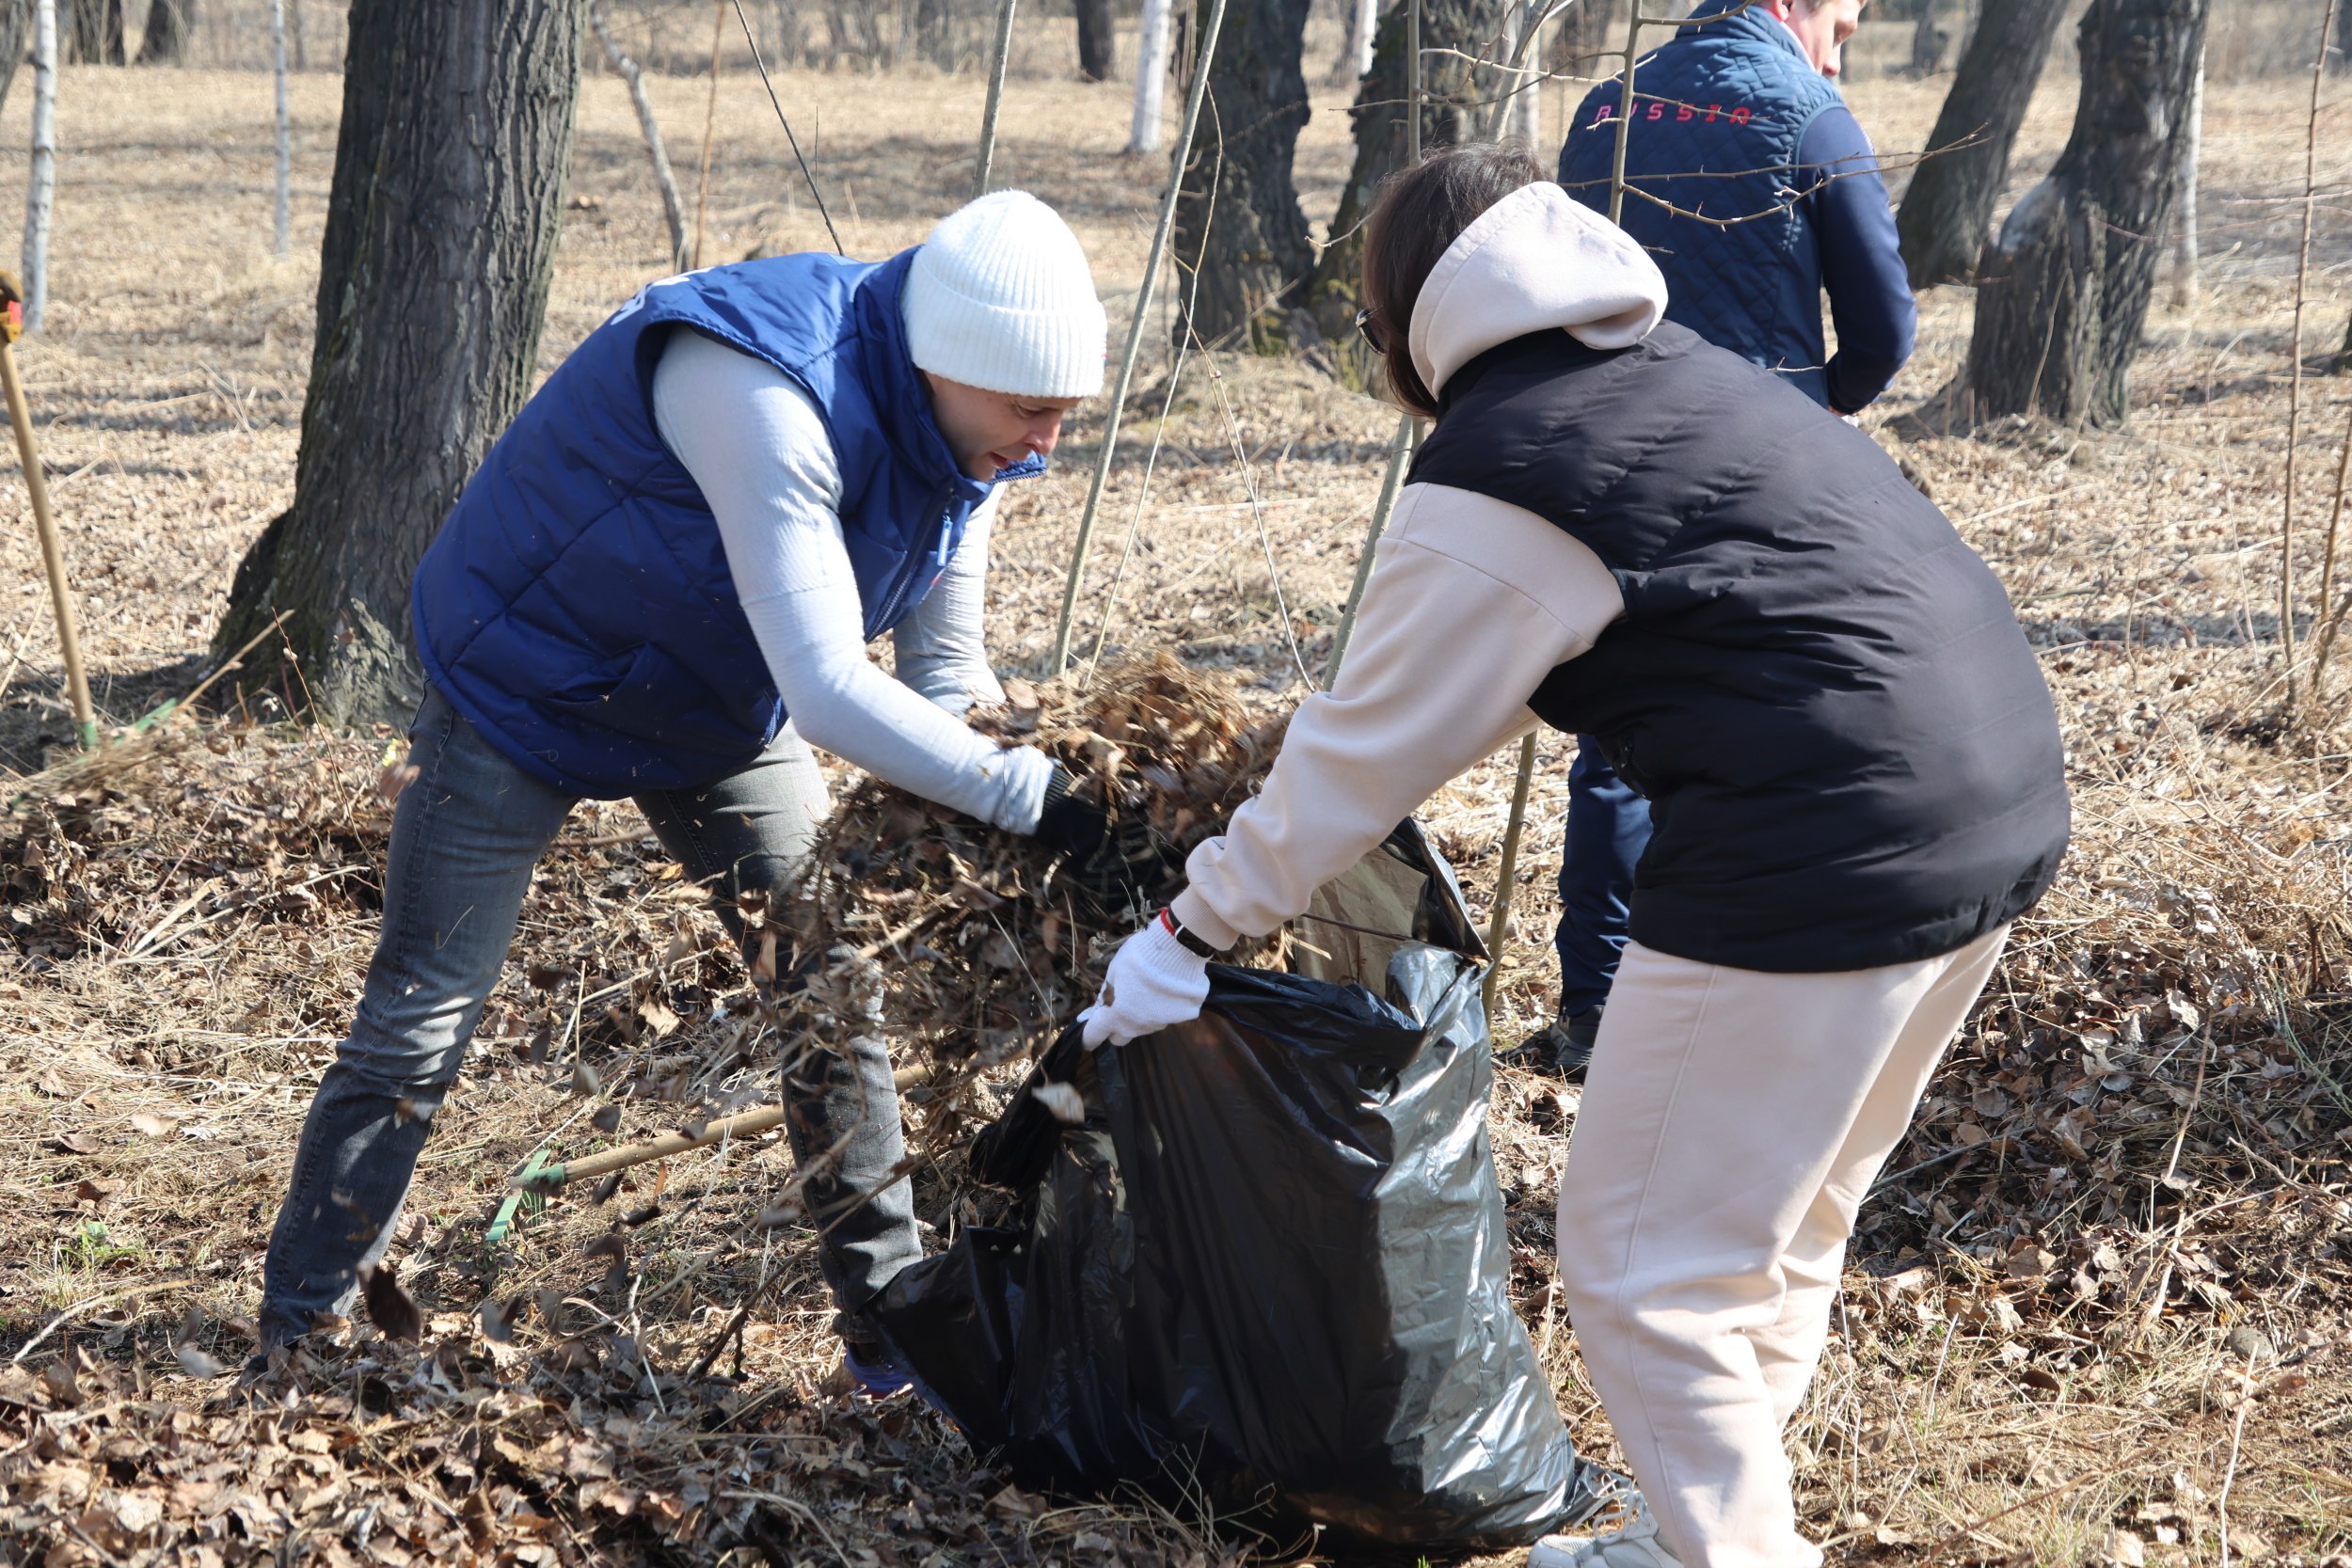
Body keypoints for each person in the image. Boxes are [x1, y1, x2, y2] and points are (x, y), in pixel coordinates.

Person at [1081, 145, 2067, 1568]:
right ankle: (1697, 1532)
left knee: (1639, 1271)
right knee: (1778, 1230)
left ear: (1410, 318)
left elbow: (1363, 752)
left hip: (1820, 841)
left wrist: (1187, 933)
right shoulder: (1687, 371)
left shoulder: (1509, 460)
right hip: (1996, 798)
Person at [256, 191, 1124, 1394]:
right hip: (525, 679)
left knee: (833, 983)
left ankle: (893, 1339)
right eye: (1033, 412)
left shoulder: (963, 435)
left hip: (713, 699)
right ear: (949, 362)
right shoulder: (764, 391)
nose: (1045, 443)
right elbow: (827, 691)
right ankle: (301, 1333)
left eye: (1062, 416)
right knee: (421, 1023)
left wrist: (1049, 778)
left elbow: (943, 674)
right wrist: (1036, 800)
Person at [1526, 0, 1915, 1076]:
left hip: (1618, 459)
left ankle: (1596, 1013)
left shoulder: (1606, 109)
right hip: (1763, 473)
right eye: (1843, 16)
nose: (1846, 39)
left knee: (1620, 740)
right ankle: (1753, 1014)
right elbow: (1885, 326)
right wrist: (1820, 403)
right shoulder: (1809, 114)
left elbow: (1562, 297)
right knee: (1777, 721)